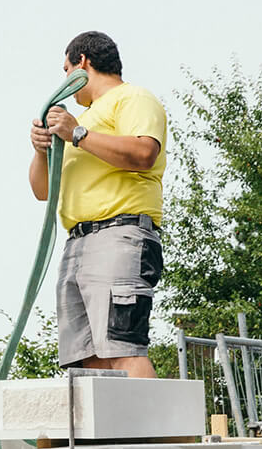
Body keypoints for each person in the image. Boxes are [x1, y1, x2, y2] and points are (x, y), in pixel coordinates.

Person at [29, 30, 167, 377]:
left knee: (122, 349)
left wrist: (78, 134)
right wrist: (40, 150)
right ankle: (116, 418)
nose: (65, 81)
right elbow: (43, 191)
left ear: (82, 62)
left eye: (66, 70)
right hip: (77, 243)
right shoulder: (80, 122)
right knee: (89, 362)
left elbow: (144, 153)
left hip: (119, 234)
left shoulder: (132, 97)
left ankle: (160, 418)